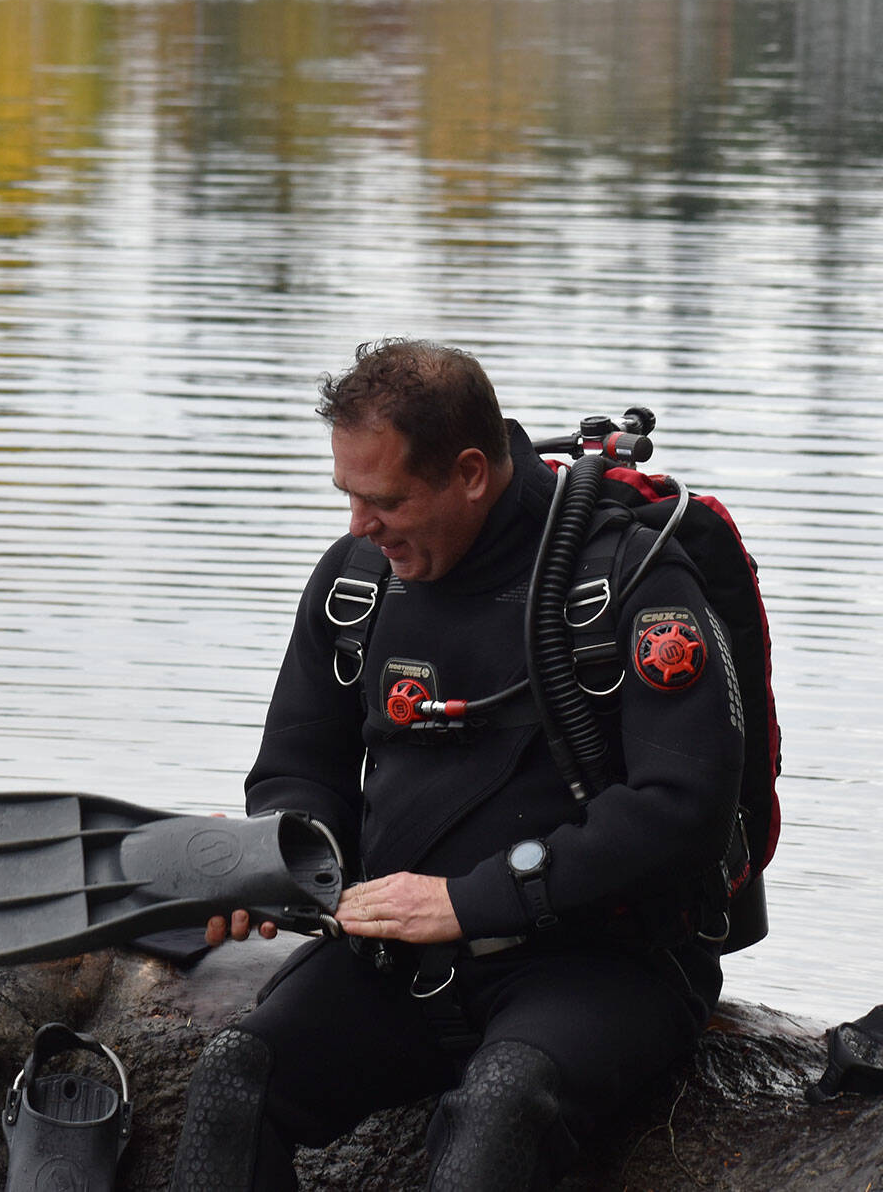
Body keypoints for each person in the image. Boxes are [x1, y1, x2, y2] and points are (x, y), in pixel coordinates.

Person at [174, 339, 745, 1191]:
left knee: (500, 1106)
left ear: (471, 473)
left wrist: (468, 900)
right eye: (348, 497)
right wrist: (283, 858)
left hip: (599, 960)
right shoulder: (357, 585)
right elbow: (299, 763)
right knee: (234, 1076)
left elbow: (682, 808)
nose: (359, 527)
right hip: (396, 956)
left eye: (386, 500)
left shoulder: (628, 581)